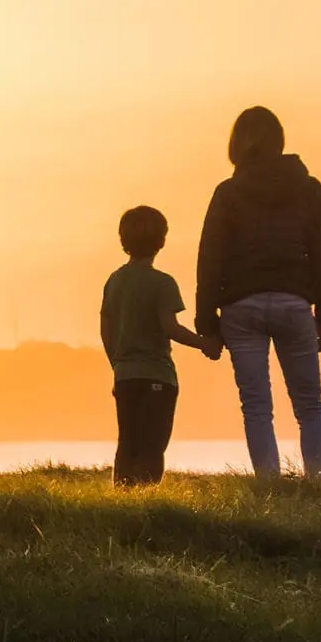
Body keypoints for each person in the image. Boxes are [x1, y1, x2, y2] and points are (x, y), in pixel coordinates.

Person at [195, 106, 321, 479]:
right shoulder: (309, 189)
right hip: (294, 302)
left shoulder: (227, 193)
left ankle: (269, 485)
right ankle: (319, 482)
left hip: (241, 306)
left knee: (256, 406)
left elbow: (210, 259)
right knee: (310, 405)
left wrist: (207, 324)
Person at [100, 205, 217, 486]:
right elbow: (170, 327)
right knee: (153, 443)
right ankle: (147, 496)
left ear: (123, 239)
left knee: (128, 440)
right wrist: (204, 344)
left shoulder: (114, 281)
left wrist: (117, 364)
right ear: (162, 240)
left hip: (125, 374)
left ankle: (123, 494)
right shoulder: (162, 283)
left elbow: (106, 330)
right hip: (157, 375)